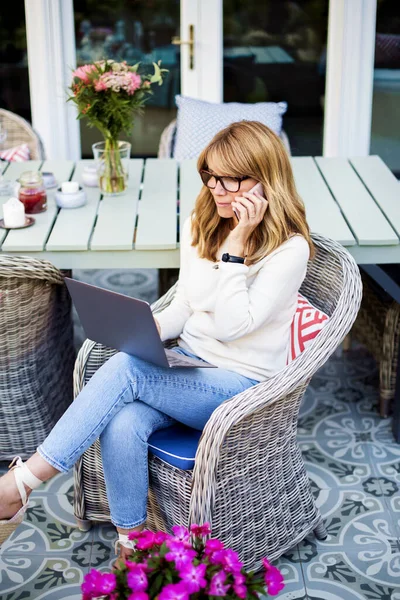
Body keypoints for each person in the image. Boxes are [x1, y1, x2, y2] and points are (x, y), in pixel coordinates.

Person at [0, 120, 313, 562]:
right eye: (210, 175)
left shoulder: (290, 249)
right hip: (190, 366)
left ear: (265, 179)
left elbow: (231, 325)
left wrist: (236, 249)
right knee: (124, 419)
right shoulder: (204, 220)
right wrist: (143, 328)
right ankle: (133, 544)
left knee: (128, 371)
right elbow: (186, 301)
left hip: (244, 387)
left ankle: (18, 485)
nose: (218, 189)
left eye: (232, 179)